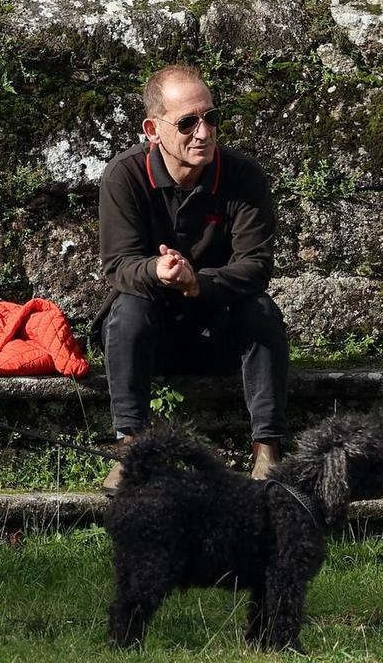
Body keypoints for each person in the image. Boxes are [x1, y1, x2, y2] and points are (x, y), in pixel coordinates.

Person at [96, 65, 288, 491]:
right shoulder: (124, 175)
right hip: (154, 333)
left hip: (218, 329)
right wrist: (157, 270)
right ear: (153, 129)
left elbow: (255, 266)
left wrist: (197, 283)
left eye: (211, 118)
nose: (203, 133)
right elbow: (119, 265)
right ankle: (131, 448)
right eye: (187, 122)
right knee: (126, 309)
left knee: (261, 310)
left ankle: (268, 450)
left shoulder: (244, 176)